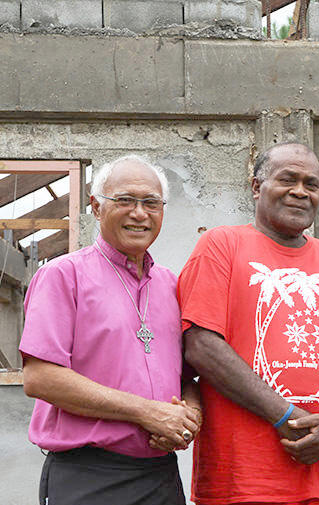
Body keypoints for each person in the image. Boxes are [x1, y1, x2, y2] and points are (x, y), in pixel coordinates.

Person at [178, 142, 319, 505]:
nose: (300, 191)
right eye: (287, 179)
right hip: (242, 479)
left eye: (311, 184)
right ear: (257, 186)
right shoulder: (221, 246)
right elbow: (201, 345)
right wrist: (284, 415)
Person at [20, 155, 202, 505]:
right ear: (96, 207)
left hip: (161, 473)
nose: (139, 213)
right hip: (89, 475)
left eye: (151, 202)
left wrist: (188, 417)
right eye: (125, 201)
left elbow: (187, 377)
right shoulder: (62, 276)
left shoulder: (171, 285)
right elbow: (40, 378)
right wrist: (149, 412)